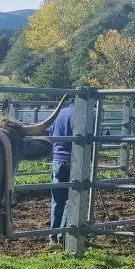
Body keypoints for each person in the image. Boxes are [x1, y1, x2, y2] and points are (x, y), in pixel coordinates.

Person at [48, 99, 77, 244]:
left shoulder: (60, 113)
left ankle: (53, 235)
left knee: (57, 200)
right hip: (73, 160)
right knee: (70, 199)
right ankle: (62, 236)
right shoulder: (79, 113)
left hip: (57, 159)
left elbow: (50, 133)